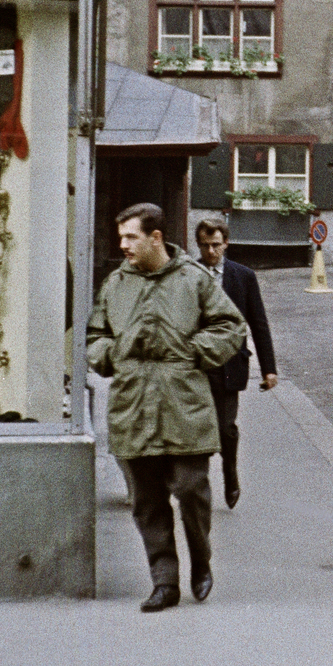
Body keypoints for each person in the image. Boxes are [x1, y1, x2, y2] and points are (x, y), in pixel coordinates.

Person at [87, 203, 246, 612]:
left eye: (130, 237)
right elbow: (95, 337)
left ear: (155, 237)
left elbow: (231, 326)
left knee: (192, 489)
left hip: (184, 403)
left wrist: (195, 351)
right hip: (133, 405)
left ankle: (201, 558)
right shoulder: (116, 284)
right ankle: (164, 581)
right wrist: (114, 355)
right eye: (120, 237)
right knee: (147, 500)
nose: (122, 245)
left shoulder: (193, 279)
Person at [195, 218, 278, 510]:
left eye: (216, 245)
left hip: (230, 363)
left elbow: (258, 322)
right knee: (197, 428)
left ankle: (230, 471)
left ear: (226, 243)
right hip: (197, 364)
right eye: (205, 246)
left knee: (224, 426)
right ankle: (198, 488)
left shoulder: (243, 276)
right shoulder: (189, 274)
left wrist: (269, 368)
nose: (211, 251)